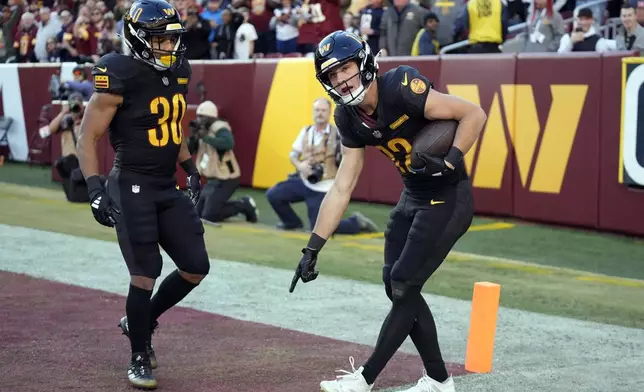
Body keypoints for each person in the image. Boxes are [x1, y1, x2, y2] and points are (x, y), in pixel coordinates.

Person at [288, 31, 486, 392]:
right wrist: (313, 246)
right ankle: (440, 380)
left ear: (363, 64)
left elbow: (473, 114)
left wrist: (451, 160)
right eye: (332, 75)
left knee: (404, 283)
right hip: (412, 195)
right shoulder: (347, 117)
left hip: (448, 194)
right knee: (395, 286)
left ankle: (365, 378)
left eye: (345, 68)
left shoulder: (401, 87)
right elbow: (343, 185)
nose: (341, 80)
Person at [76, 1, 210, 389]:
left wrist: (190, 166)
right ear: (137, 39)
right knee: (144, 274)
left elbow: (171, 125)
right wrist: (95, 189)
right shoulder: (117, 72)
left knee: (195, 266)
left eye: (172, 38)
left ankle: (141, 319)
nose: (169, 46)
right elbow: (89, 136)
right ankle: (139, 355)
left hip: (164, 185)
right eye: (160, 39)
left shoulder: (178, 70)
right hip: (130, 184)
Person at [266, 98, 378, 234]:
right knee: (273, 194)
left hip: (325, 187)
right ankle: (292, 222)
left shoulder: (339, 133)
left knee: (320, 228)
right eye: (317, 110)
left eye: (323, 110)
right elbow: (293, 155)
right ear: (313, 112)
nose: (320, 113)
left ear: (329, 112)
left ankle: (356, 223)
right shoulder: (306, 131)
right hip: (305, 181)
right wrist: (301, 165)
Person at [191, 100, 258, 224]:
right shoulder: (202, 130)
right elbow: (190, 150)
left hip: (227, 178)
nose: (199, 120)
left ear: (211, 117)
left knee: (209, 216)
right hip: (212, 179)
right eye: (198, 116)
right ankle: (221, 206)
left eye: (202, 117)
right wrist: (193, 137)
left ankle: (243, 204)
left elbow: (228, 144)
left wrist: (205, 137)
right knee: (197, 213)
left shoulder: (220, 128)